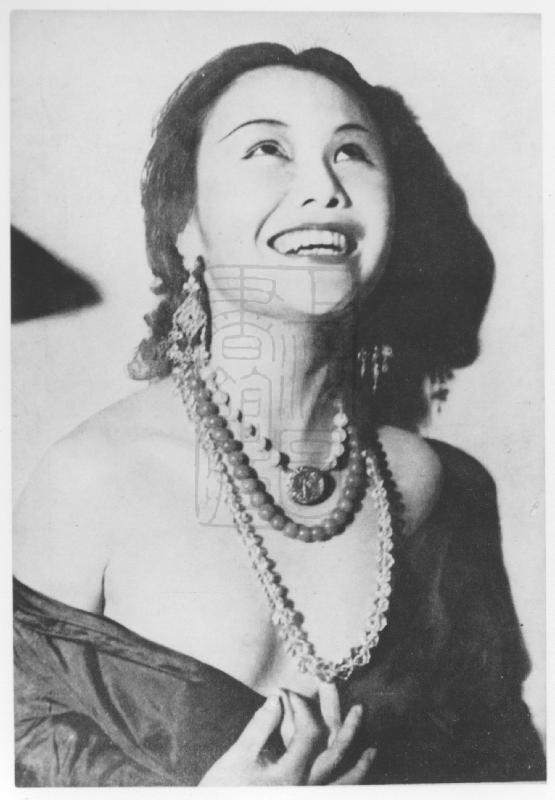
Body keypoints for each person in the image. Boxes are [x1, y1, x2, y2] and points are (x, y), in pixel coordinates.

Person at [13, 42, 545, 786]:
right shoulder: (92, 477)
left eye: (352, 152)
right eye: (267, 148)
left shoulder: (435, 485)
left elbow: (500, 763)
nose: (324, 188)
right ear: (185, 225)